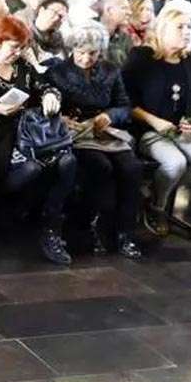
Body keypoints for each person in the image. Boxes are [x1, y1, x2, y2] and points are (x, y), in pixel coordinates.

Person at [0, 16, 76, 264]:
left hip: (22, 130)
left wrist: (50, 97)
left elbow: (44, 86)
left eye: (22, 48)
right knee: (9, 166)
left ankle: (44, 223)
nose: (18, 53)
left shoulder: (22, 67)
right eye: (13, 47)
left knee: (65, 161)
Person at [122, 1, 191, 237]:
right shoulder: (142, 57)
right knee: (175, 163)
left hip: (180, 130)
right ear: (164, 29)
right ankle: (158, 209)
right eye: (180, 27)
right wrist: (154, 121)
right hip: (148, 128)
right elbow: (124, 100)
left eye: (188, 27)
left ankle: (153, 192)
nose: (187, 32)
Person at [48, 23, 143, 258]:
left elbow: (124, 106)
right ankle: (89, 226)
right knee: (101, 167)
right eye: (80, 52)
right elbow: (48, 108)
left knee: (132, 168)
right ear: (72, 50)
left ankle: (125, 232)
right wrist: (62, 119)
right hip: (76, 132)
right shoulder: (58, 72)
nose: (86, 58)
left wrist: (109, 116)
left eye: (92, 53)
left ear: (100, 51)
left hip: (105, 131)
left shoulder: (110, 70)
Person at [26, 0, 69, 67]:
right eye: (55, 12)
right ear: (41, 10)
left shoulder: (58, 38)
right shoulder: (25, 34)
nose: (57, 19)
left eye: (61, 16)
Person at [97, 0, 133, 68]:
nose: (130, 12)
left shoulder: (125, 38)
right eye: (124, 8)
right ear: (109, 10)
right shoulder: (88, 33)